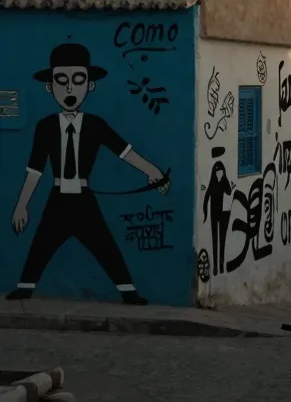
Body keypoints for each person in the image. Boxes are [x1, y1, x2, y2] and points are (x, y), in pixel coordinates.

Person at [8, 43, 171, 305]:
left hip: (84, 198)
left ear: (89, 85)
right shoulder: (46, 127)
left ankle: (128, 292)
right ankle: (25, 289)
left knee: (105, 245)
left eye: (78, 81)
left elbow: (125, 151)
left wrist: (154, 172)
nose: (69, 89)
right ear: (50, 86)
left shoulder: (96, 125)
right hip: (58, 197)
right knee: (41, 245)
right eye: (61, 81)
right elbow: (35, 169)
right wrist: (21, 205)